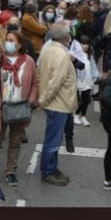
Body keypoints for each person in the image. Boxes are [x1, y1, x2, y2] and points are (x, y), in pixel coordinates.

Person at [0, 29, 39, 185]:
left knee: (15, 141)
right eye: (6, 39)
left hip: (20, 107)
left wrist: (31, 100)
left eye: (12, 40)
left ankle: (11, 171)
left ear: (20, 44)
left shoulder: (28, 61)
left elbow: (36, 83)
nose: (8, 43)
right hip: (1, 107)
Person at [36, 23, 77, 186]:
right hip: (58, 103)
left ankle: (52, 168)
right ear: (66, 37)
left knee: (53, 138)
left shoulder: (48, 49)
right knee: (53, 141)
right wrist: (44, 100)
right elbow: (56, 82)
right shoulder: (61, 54)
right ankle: (48, 171)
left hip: (55, 102)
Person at [70, 34, 95, 130]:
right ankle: (76, 115)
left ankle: (83, 116)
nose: (85, 46)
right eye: (83, 43)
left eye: (87, 44)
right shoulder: (74, 54)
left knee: (87, 99)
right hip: (77, 80)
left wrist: (95, 77)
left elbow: (92, 67)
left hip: (88, 80)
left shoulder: (89, 54)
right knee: (78, 100)